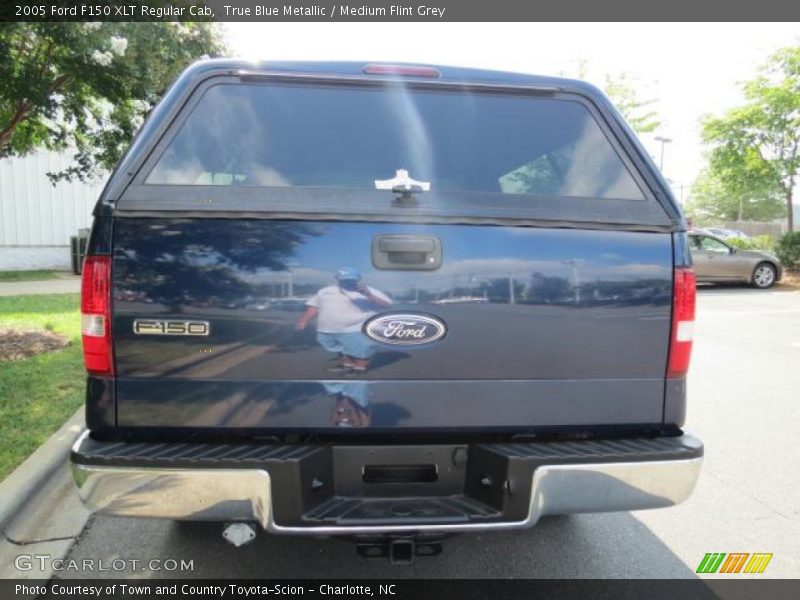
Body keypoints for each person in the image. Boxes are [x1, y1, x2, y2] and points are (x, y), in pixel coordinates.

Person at [295, 268, 392, 373]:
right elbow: (314, 307)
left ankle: (359, 368)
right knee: (338, 348)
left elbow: (387, 305)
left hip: (355, 328)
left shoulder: (369, 290)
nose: (347, 282)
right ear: (338, 279)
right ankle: (347, 365)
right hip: (326, 329)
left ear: (357, 279)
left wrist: (368, 294)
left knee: (359, 350)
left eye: (350, 280)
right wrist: (303, 320)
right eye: (344, 279)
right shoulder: (325, 291)